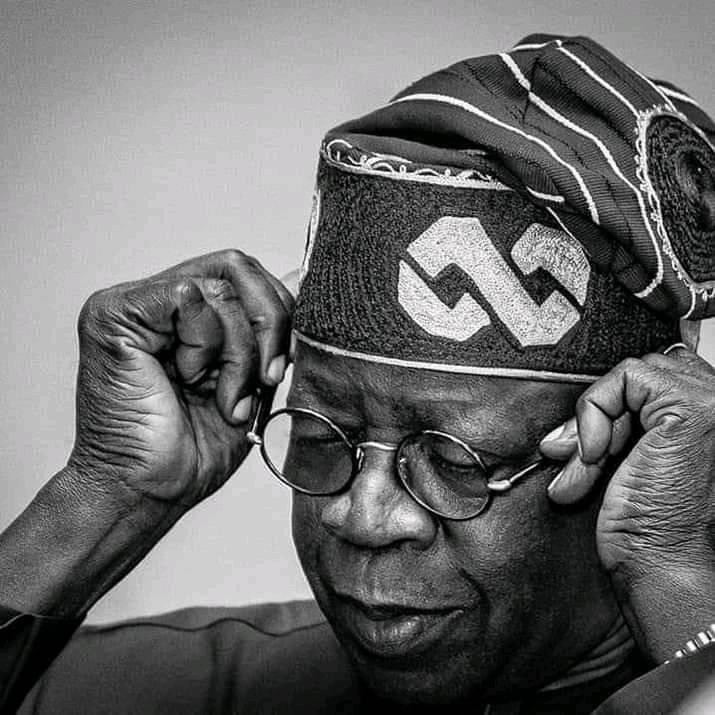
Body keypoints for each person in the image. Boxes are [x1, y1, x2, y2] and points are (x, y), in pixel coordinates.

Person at [1, 34, 714, 714]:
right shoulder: (206, 689)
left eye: (452, 461)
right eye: (321, 436)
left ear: (630, 451)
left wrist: (678, 579)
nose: (360, 516)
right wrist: (104, 493)